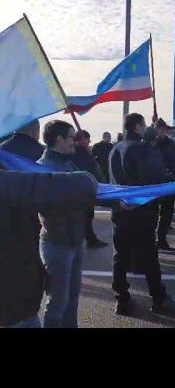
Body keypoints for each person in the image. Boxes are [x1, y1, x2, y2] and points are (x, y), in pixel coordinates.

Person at [0, 161, 97, 328]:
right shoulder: (9, 183)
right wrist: (91, 179)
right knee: (57, 301)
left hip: (14, 300)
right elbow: (81, 184)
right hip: (14, 306)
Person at [109, 113, 175, 315]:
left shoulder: (115, 148)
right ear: (137, 126)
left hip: (120, 210)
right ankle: (159, 298)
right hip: (141, 212)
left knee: (120, 256)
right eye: (143, 125)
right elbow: (154, 180)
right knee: (149, 257)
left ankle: (122, 299)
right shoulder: (142, 149)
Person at [37, 121, 96, 328]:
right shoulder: (42, 168)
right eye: (72, 137)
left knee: (72, 297)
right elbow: (50, 205)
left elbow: (91, 187)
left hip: (74, 239)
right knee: (58, 301)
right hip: (57, 243)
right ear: (59, 139)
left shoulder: (69, 164)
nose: (76, 142)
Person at [72, 129, 108, 249]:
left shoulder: (82, 152)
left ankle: (90, 238)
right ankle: (88, 239)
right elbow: (87, 168)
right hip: (82, 190)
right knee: (85, 216)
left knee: (88, 216)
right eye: (87, 139)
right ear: (81, 139)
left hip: (86, 189)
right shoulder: (77, 153)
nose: (89, 141)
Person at [154, 118, 175, 253]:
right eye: (157, 129)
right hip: (154, 183)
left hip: (170, 183)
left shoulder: (172, 144)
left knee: (167, 214)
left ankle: (161, 240)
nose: (159, 131)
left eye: (161, 129)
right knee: (152, 214)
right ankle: (151, 240)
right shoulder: (149, 143)